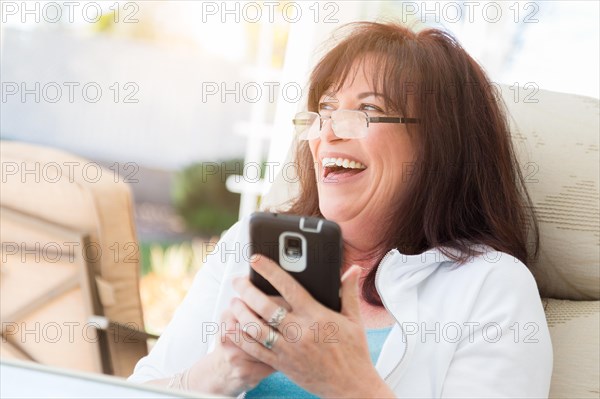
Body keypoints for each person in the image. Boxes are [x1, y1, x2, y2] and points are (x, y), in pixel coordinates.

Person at [129, 21, 553, 398]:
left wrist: (349, 385)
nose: (328, 132)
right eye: (326, 109)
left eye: (368, 110)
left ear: (439, 148)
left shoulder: (491, 287)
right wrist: (218, 373)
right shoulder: (248, 246)